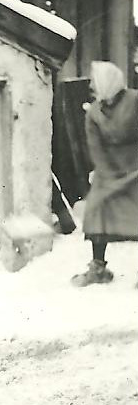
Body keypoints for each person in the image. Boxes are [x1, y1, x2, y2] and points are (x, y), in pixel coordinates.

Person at [72, 61, 138, 287]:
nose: (91, 86)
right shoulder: (94, 112)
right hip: (109, 169)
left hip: (136, 165)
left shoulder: (135, 101)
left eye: (95, 81)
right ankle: (98, 268)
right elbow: (95, 147)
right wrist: (109, 175)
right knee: (96, 209)